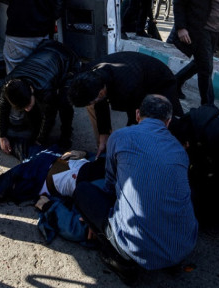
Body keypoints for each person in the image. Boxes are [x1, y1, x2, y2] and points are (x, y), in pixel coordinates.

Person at [73, 95, 198, 283]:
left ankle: (122, 262)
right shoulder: (180, 151)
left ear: (138, 114)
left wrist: (95, 218)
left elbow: (110, 185)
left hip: (136, 248)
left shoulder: (121, 136)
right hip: (184, 246)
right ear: (168, 121)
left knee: (83, 191)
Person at [68, 51, 184, 156]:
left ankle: (183, 149)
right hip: (135, 71)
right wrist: (104, 134)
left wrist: (126, 144)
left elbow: (136, 116)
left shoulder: (127, 86)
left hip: (159, 80)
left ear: (101, 93)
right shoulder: (91, 75)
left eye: (93, 100)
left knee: (168, 121)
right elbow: (100, 105)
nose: (93, 103)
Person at [0, 39, 81, 160]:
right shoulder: (8, 86)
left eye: (27, 103)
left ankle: (67, 134)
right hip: (46, 49)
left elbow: (49, 116)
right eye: (23, 106)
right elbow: (2, 108)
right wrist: (2, 136)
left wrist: (40, 141)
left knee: (64, 102)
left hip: (68, 60)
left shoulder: (45, 88)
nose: (27, 108)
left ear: (31, 89)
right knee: (32, 111)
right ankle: (35, 130)